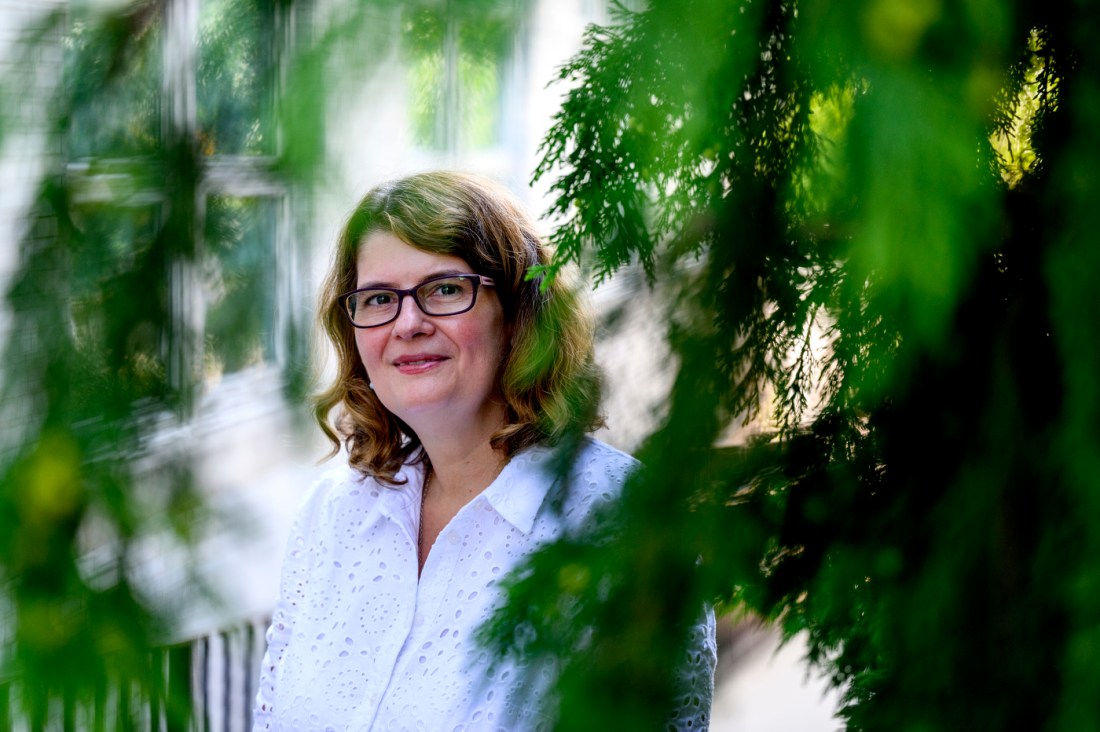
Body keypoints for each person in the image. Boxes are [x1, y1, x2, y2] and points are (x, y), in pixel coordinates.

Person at [252, 171, 716, 730]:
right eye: (378, 298)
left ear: (520, 314)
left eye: (445, 288)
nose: (408, 323)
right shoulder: (330, 513)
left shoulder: (624, 524)